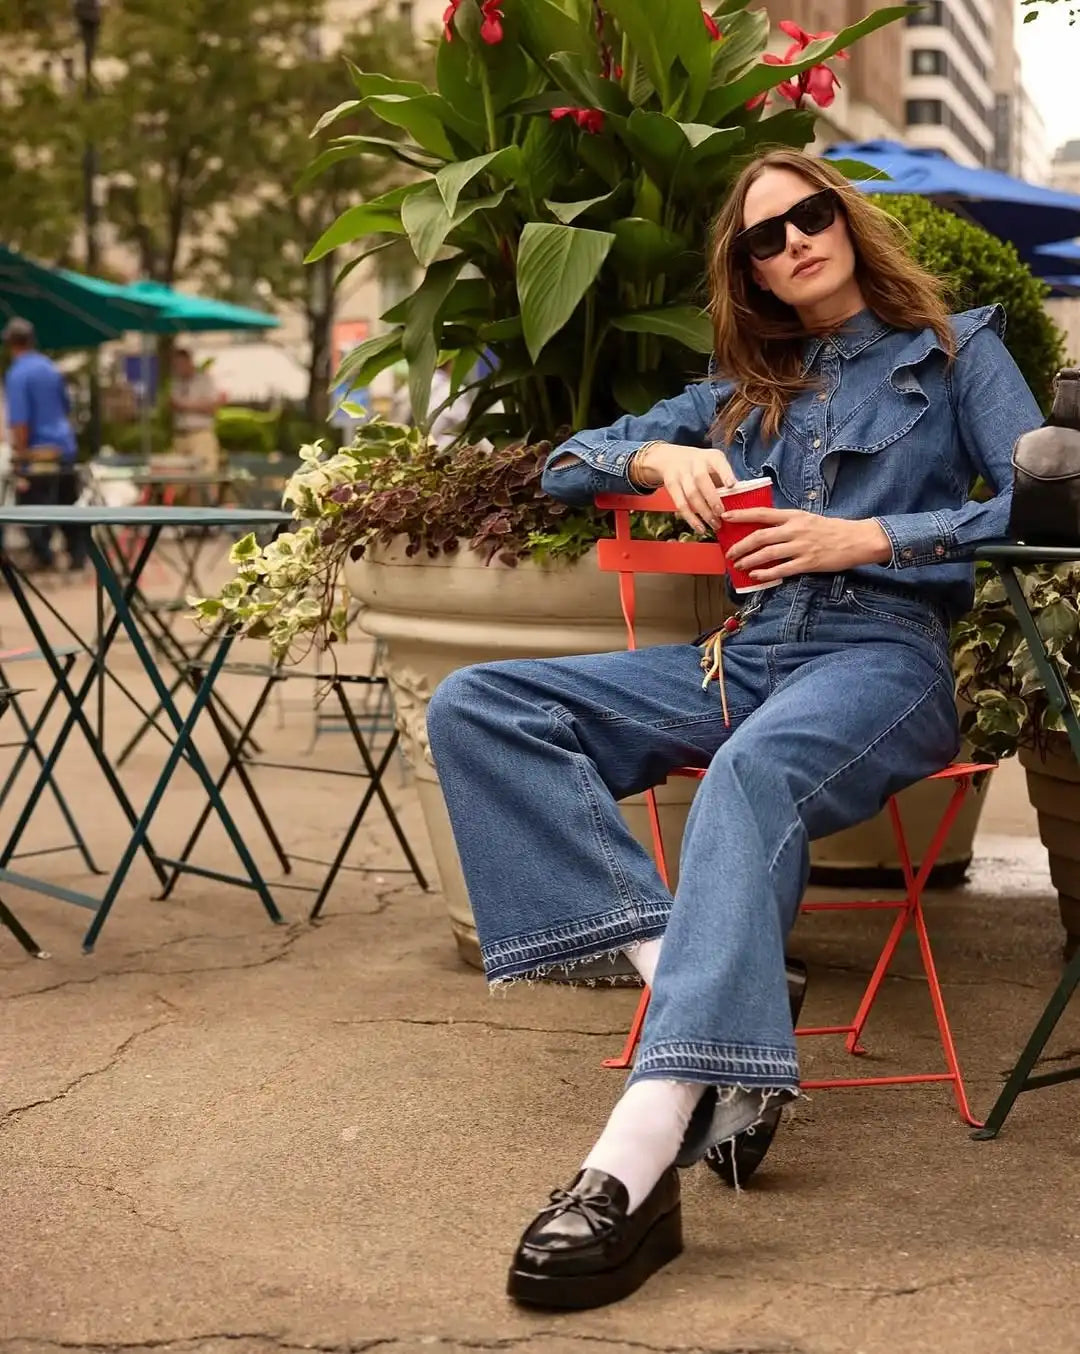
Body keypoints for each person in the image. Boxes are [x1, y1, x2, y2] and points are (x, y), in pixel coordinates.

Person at [424, 148, 1043, 1311]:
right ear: (749, 271)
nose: (794, 240)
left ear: (845, 221)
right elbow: (564, 467)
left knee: (748, 773)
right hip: (743, 658)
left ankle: (632, 1161)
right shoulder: (736, 391)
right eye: (765, 236)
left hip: (880, 659)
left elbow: (1053, 494)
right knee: (481, 707)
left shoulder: (955, 351)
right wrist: (654, 456)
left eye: (810, 214)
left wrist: (876, 537)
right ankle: (704, 976)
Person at [2, 317, 87, 573]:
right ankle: (78, 556)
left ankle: (44, 556)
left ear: (11, 344)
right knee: (67, 502)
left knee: (31, 506)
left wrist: (20, 456)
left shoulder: (17, 373)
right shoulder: (50, 368)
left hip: (39, 452)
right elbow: (65, 407)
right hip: (64, 446)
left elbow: (20, 421)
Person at [170, 347, 222, 473]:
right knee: (177, 476)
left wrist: (185, 405)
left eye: (180, 364)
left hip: (200, 434)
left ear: (189, 362)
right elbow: (173, 404)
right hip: (181, 436)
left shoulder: (205, 381)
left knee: (204, 475)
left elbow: (212, 407)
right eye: (176, 365)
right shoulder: (176, 384)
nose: (178, 368)